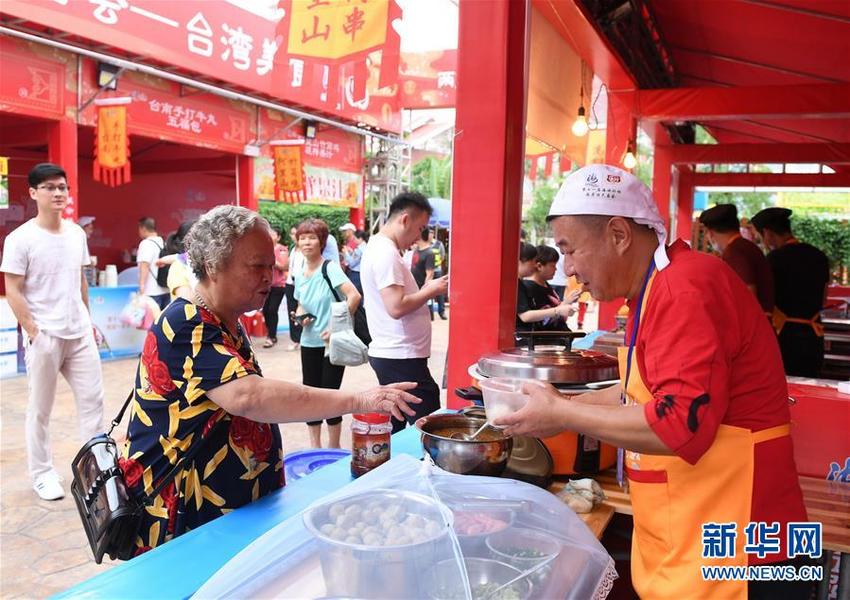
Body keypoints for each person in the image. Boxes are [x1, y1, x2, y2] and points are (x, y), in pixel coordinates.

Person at [495, 165, 810, 600]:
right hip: (698, 529)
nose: (567, 269)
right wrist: (556, 402)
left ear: (619, 234)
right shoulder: (658, 286)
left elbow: (681, 422)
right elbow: (641, 392)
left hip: (746, 548)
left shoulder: (684, 287)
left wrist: (565, 413)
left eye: (570, 250)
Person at [120, 205, 419, 554]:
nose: (270, 275)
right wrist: (360, 400)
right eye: (256, 265)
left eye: (270, 264)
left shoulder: (223, 315)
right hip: (183, 513)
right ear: (214, 267)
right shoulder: (188, 322)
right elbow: (250, 397)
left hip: (224, 509)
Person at [1, 163, 104, 501]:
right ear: (33, 193)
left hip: (79, 333)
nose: (58, 193)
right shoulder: (21, 239)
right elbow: (12, 289)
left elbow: (80, 281)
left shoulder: (76, 234)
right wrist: (34, 330)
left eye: (62, 187)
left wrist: (89, 321)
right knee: (40, 408)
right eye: (49, 187)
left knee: (93, 402)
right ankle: (42, 474)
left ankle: (97, 468)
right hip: (45, 336)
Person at [360, 191, 449, 433]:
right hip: (400, 355)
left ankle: (392, 468)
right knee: (431, 426)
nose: (419, 236)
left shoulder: (381, 248)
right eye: (420, 228)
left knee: (396, 425)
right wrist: (431, 290)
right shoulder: (386, 253)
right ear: (405, 220)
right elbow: (396, 307)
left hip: (398, 354)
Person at [293, 218, 362, 448]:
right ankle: (315, 447)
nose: (307, 242)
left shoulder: (329, 267)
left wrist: (335, 328)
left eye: (312, 238)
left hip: (332, 344)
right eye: (302, 238)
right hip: (308, 342)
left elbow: (354, 296)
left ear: (321, 241)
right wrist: (300, 316)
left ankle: (334, 448)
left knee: (330, 396)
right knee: (309, 397)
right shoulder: (300, 271)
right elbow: (301, 303)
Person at [751, 207, 830, 377]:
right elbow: (824, 299)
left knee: (786, 390)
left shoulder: (773, 259)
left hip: (784, 337)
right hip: (814, 336)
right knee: (809, 388)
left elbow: (764, 300)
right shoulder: (819, 256)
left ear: (767, 233)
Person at [699, 203, 774, 314]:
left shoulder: (734, 252)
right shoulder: (746, 246)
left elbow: (747, 296)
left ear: (710, 233)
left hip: (752, 326)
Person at [516, 245, 578, 344]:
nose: (535, 266)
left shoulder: (522, 284)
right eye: (532, 262)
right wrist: (558, 310)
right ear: (520, 262)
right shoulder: (524, 286)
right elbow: (525, 316)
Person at [261, 228, 289, 348]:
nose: (270, 236)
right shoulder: (263, 248)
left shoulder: (282, 249)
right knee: (265, 310)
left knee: (272, 310)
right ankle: (271, 334)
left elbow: (284, 266)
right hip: (266, 285)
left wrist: (271, 259)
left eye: (273, 234)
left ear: (278, 237)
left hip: (278, 286)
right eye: (269, 233)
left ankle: (271, 336)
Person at [136, 217, 169, 310]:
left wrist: (141, 287)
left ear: (143, 228)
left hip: (151, 291)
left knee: (151, 322)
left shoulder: (146, 243)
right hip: (166, 289)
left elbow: (144, 266)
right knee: (163, 322)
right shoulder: (163, 242)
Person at [284, 226, 303, 351]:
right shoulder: (292, 249)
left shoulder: (305, 250)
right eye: (292, 233)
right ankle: (295, 340)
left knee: (303, 310)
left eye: (296, 233)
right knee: (292, 311)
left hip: (302, 284)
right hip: (290, 283)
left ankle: (303, 338)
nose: (293, 236)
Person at [428, 229, 447, 319]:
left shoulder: (439, 244)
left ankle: (442, 312)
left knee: (440, 292)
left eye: (431, 233)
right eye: (429, 233)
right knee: (428, 291)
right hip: (427, 271)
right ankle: (430, 312)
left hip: (437, 270)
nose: (430, 234)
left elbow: (442, 256)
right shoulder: (425, 244)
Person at [342, 229, 367, 295]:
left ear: (360, 239)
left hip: (356, 274)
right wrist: (352, 252)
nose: (354, 241)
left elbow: (352, 263)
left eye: (355, 239)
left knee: (354, 294)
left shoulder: (360, 249)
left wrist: (346, 253)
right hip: (361, 274)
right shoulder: (366, 247)